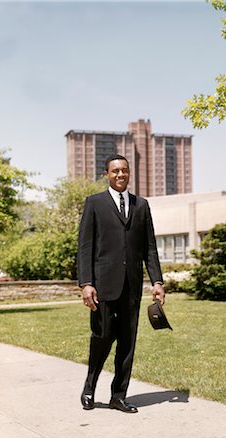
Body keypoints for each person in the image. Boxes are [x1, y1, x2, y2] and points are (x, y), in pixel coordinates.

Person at [77, 154, 165, 414]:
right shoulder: (94, 203)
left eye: (124, 171)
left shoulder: (141, 205)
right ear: (107, 173)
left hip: (132, 286)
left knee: (128, 341)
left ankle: (118, 396)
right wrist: (86, 283)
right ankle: (90, 387)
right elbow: (85, 247)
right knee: (102, 337)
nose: (120, 175)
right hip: (102, 286)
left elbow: (149, 248)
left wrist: (157, 280)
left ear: (129, 173)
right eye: (115, 171)